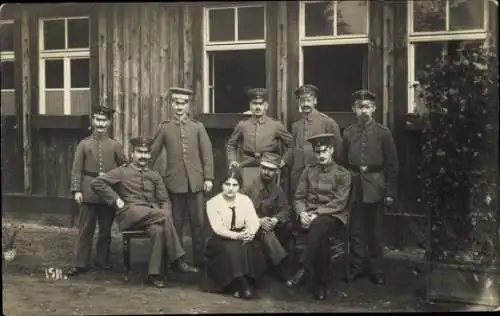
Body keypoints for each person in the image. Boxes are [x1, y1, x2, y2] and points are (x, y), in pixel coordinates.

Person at [91, 136, 199, 288]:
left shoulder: (154, 175)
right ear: (132, 153)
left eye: (146, 153)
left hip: (152, 216)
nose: (143, 156)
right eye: (139, 152)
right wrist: (116, 200)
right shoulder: (122, 171)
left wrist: (165, 211)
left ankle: (153, 274)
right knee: (162, 216)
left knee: (158, 230)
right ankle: (178, 260)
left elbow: (164, 200)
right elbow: (97, 183)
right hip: (130, 213)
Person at [149, 87, 215, 268]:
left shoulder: (197, 127)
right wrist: (146, 175)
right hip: (174, 183)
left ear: (189, 105)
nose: (179, 107)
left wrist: (208, 178)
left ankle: (200, 259)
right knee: (175, 223)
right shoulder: (165, 128)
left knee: (198, 223)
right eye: (176, 103)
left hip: (196, 183)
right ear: (171, 104)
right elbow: (152, 153)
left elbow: (207, 154)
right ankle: (175, 260)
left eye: (183, 103)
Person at [340, 90, 399, 286]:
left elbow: (392, 165)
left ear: (374, 109)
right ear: (354, 109)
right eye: (360, 107)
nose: (363, 111)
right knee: (356, 229)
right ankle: (356, 267)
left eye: (367, 107)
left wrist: (390, 192)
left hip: (376, 184)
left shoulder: (383, 133)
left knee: (375, 230)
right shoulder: (348, 133)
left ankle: (376, 269)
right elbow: (342, 162)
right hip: (355, 184)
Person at [286, 133, 351, 301]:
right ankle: (321, 282)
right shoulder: (309, 171)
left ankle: (306, 265)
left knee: (319, 226)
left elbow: (339, 203)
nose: (321, 155)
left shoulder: (343, 174)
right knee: (318, 234)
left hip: (333, 215)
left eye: (324, 151)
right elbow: (299, 197)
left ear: (331, 150)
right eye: (317, 152)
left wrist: (316, 214)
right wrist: (302, 213)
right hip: (309, 215)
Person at [68, 106, 128, 276]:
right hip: (88, 192)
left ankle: (102, 260)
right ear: (92, 121)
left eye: (104, 120)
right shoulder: (84, 144)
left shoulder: (115, 145)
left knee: (105, 230)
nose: (100, 123)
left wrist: (112, 179)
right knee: (85, 229)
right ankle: (81, 263)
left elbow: (124, 167)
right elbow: (76, 169)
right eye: (97, 120)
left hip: (107, 194)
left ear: (109, 123)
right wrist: (76, 190)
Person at [202, 169, 268, 300]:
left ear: (239, 186)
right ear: (221, 185)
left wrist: (250, 233)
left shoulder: (245, 200)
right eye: (227, 184)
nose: (230, 189)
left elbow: (253, 221)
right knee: (231, 248)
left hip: (242, 235)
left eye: (235, 185)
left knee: (248, 247)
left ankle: (237, 287)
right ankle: (244, 286)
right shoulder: (213, 203)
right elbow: (218, 229)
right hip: (220, 239)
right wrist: (237, 236)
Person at [226, 88, 293, 187]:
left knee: (268, 196)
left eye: (261, 104)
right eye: (254, 104)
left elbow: (291, 144)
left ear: (266, 106)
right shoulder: (243, 125)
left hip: (269, 167)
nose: (258, 107)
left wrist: (283, 161)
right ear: (250, 105)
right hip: (247, 166)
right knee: (248, 194)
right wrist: (232, 160)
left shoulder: (275, 125)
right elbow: (231, 144)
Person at [240, 152, 292, 281]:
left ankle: (275, 263)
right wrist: (257, 220)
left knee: (286, 226)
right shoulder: (249, 187)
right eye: (264, 168)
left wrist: (275, 219)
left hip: (268, 225)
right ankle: (280, 266)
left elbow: (285, 208)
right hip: (249, 225)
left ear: (276, 172)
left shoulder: (277, 189)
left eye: (271, 170)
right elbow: (239, 209)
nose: (266, 172)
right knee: (266, 232)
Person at [290, 84, 343, 195]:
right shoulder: (296, 125)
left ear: (315, 101)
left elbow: (338, 152)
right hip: (298, 175)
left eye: (308, 100)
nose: (305, 104)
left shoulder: (328, 123)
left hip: (320, 175)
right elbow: (293, 148)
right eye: (302, 101)